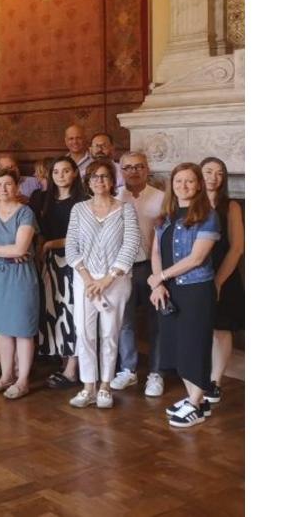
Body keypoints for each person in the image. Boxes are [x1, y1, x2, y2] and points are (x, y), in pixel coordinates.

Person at [148, 163, 221, 428]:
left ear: (199, 184)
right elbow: (156, 252)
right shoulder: (165, 216)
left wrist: (161, 276)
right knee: (177, 346)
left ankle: (196, 404)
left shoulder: (208, 215)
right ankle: (195, 400)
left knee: (194, 345)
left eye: (189, 181)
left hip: (195, 290)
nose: (183, 186)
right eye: (178, 181)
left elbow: (197, 258)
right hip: (169, 290)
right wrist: (157, 285)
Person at [65, 159, 140, 409]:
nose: (100, 181)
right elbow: (71, 246)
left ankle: (105, 386)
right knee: (84, 333)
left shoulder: (126, 209)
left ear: (112, 181)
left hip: (115, 281)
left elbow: (131, 245)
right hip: (84, 280)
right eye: (94, 177)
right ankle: (88, 387)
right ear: (88, 182)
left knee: (110, 333)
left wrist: (107, 279)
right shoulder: (78, 209)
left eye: (105, 176)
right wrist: (88, 279)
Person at [0, 168, 40, 400]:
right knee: (3, 328)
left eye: (8, 184)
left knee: (21, 328)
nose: (2, 188)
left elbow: (20, 249)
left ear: (17, 187)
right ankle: (6, 376)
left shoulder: (25, 212)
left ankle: (22, 380)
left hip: (19, 276)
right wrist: (5, 250)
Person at [111, 152, 167, 396]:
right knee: (125, 322)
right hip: (122, 269)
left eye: (139, 166)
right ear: (121, 171)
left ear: (147, 169)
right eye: (128, 167)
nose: (133, 171)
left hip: (152, 268)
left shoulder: (162, 198)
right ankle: (128, 369)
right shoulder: (114, 198)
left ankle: (156, 373)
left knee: (157, 322)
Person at [36, 156, 87, 390]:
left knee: (72, 313)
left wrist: (50, 244)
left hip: (74, 263)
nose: (60, 175)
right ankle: (65, 361)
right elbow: (40, 231)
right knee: (55, 312)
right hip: (50, 262)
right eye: (56, 171)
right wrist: (43, 247)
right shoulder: (46, 199)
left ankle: (73, 369)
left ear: (75, 173)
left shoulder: (83, 201)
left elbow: (81, 237)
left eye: (66, 171)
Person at [201, 156, 244, 405]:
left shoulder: (231, 206)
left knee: (221, 328)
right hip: (195, 273)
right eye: (208, 171)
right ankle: (198, 376)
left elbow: (237, 248)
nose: (213, 177)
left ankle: (215, 381)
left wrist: (218, 281)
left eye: (219, 173)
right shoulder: (189, 203)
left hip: (223, 273)